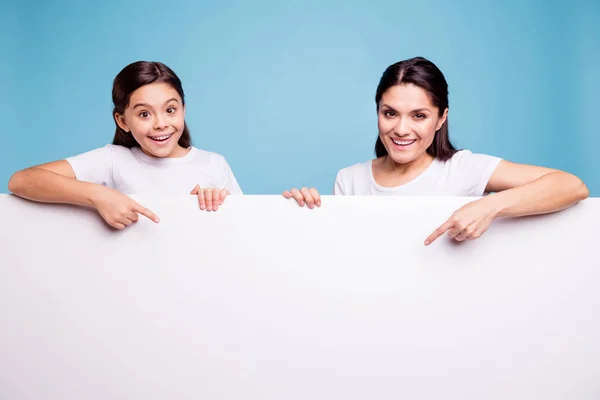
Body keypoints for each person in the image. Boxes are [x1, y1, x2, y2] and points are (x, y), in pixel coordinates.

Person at [284, 56, 589, 245]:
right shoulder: (349, 180)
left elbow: (571, 185)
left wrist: (488, 207)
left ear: (442, 117)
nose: (402, 129)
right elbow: (341, 255)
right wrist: (305, 213)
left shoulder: (463, 169)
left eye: (419, 116)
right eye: (390, 113)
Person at [8, 61, 242, 229]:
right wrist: (99, 195)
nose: (161, 124)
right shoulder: (114, 160)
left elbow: (245, 229)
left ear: (183, 109)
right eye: (143, 114)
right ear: (123, 121)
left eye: (170, 110)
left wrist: (216, 204)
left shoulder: (213, 164)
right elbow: (21, 180)